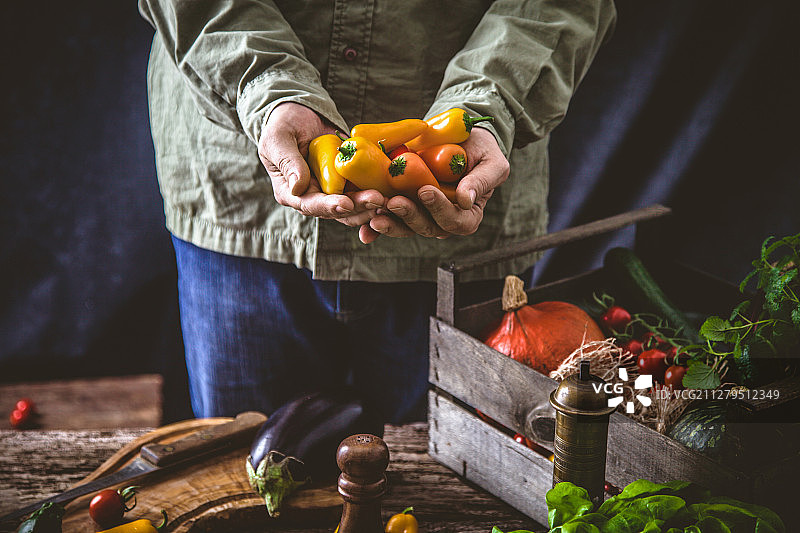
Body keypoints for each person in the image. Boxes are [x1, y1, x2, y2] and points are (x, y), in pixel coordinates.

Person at [138, 1, 617, 424]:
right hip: (239, 200)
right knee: (243, 473)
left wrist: (488, 104)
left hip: (468, 216)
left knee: (454, 483)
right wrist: (268, 90)